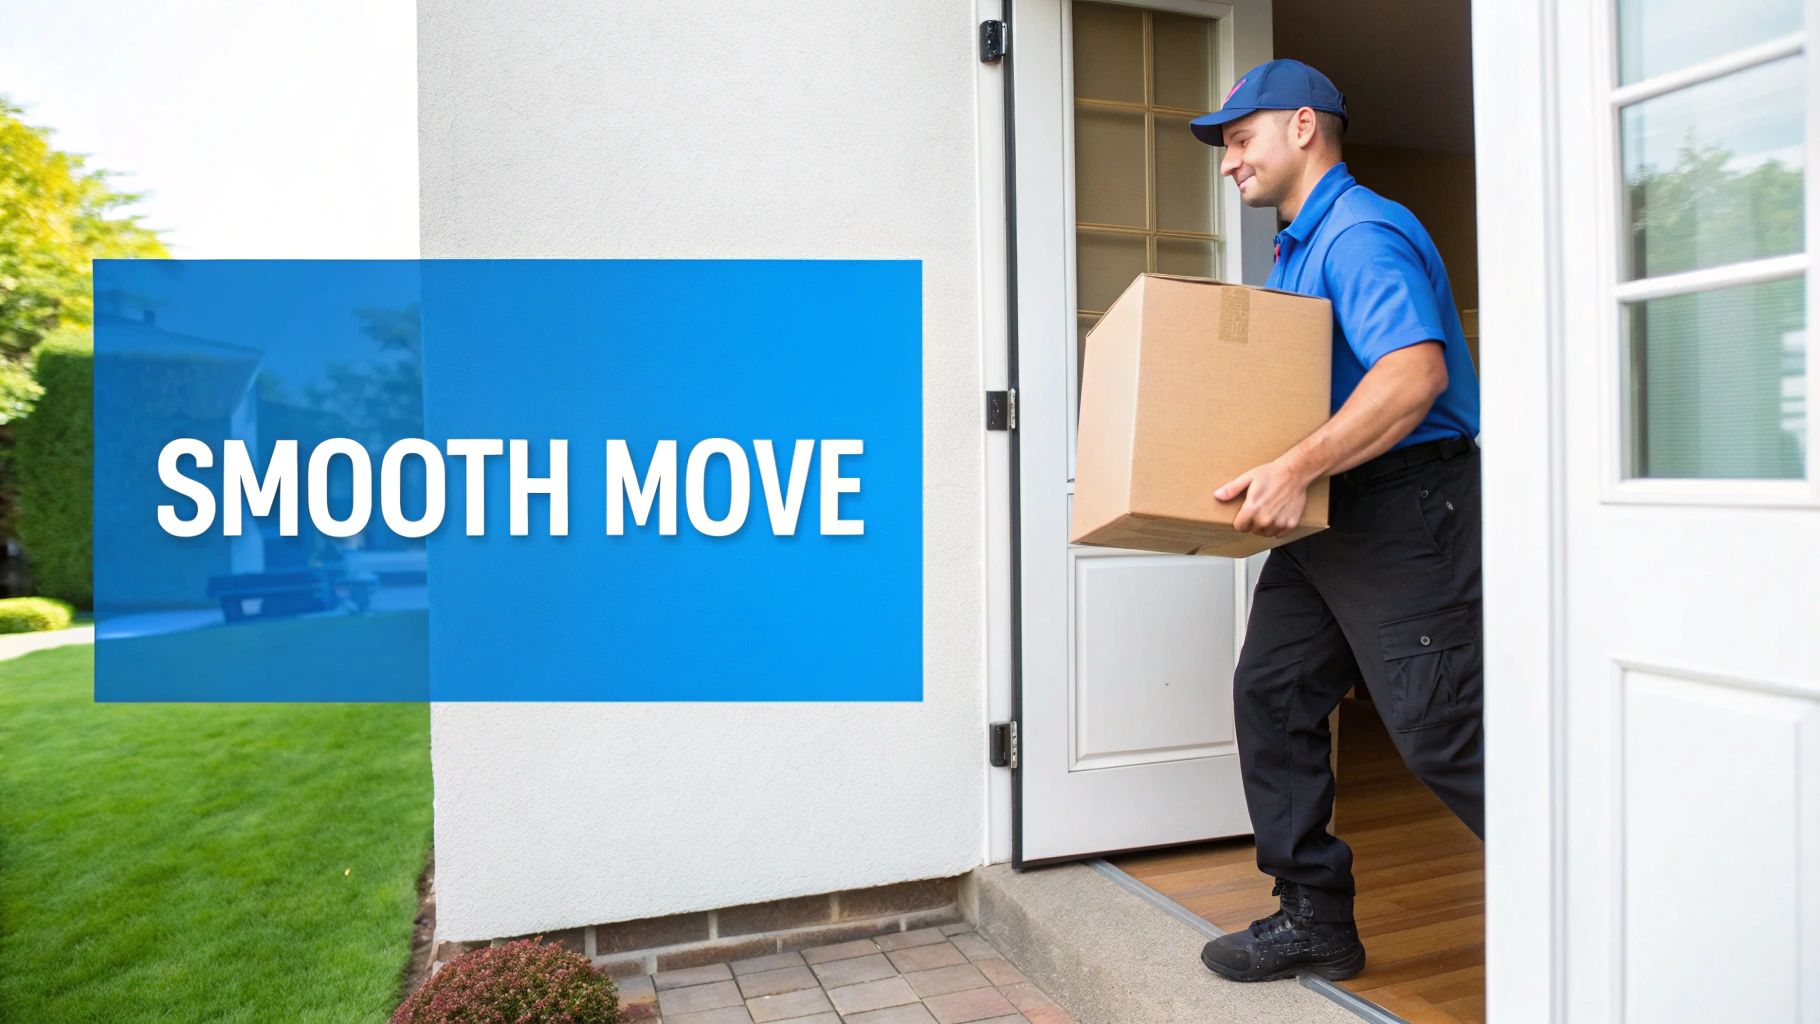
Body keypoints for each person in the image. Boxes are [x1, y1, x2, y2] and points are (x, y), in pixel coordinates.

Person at [1184, 59, 1485, 983]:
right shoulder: (1296, 247)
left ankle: (1604, 890)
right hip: (1331, 515)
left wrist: (1293, 466)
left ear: (1304, 127)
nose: (1229, 161)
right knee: (1271, 692)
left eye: (1241, 138)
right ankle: (1314, 916)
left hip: (1404, 508)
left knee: (1441, 729)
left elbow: (1414, 376)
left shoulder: (1359, 233)